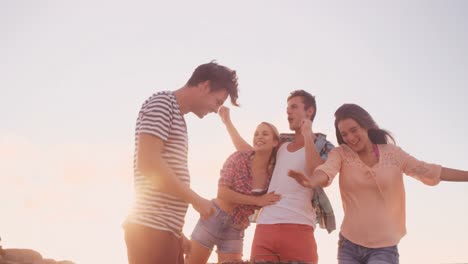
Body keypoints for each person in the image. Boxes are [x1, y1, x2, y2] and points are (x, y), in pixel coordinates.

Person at [288, 103, 468, 264]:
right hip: (349, 244)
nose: (350, 137)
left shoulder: (393, 154)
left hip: (384, 247)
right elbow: (326, 171)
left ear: (365, 125)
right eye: (344, 134)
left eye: (354, 129)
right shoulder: (341, 153)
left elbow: (430, 170)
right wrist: (312, 181)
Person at [123, 61, 240, 264]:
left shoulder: (176, 115)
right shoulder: (162, 103)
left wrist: (178, 234)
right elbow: (148, 163)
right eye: (217, 101)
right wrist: (196, 200)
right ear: (205, 86)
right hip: (151, 231)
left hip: (164, 231)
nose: (215, 109)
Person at [220, 90, 335, 263]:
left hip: (299, 226)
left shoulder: (325, 146)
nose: (288, 112)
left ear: (309, 111)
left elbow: (317, 173)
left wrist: (307, 135)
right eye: (287, 108)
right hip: (266, 226)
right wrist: (227, 122)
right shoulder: (280, 144)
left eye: (294, 107)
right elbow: (249, 153)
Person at [185, 121, 282, 264]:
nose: (259, 137)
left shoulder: (273, 175)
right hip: (213, 217)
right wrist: (258, 200)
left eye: (265, 134)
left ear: (275, 142)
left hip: (236, 228)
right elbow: (223, 193)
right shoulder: (238, 158)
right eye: (256, 134)